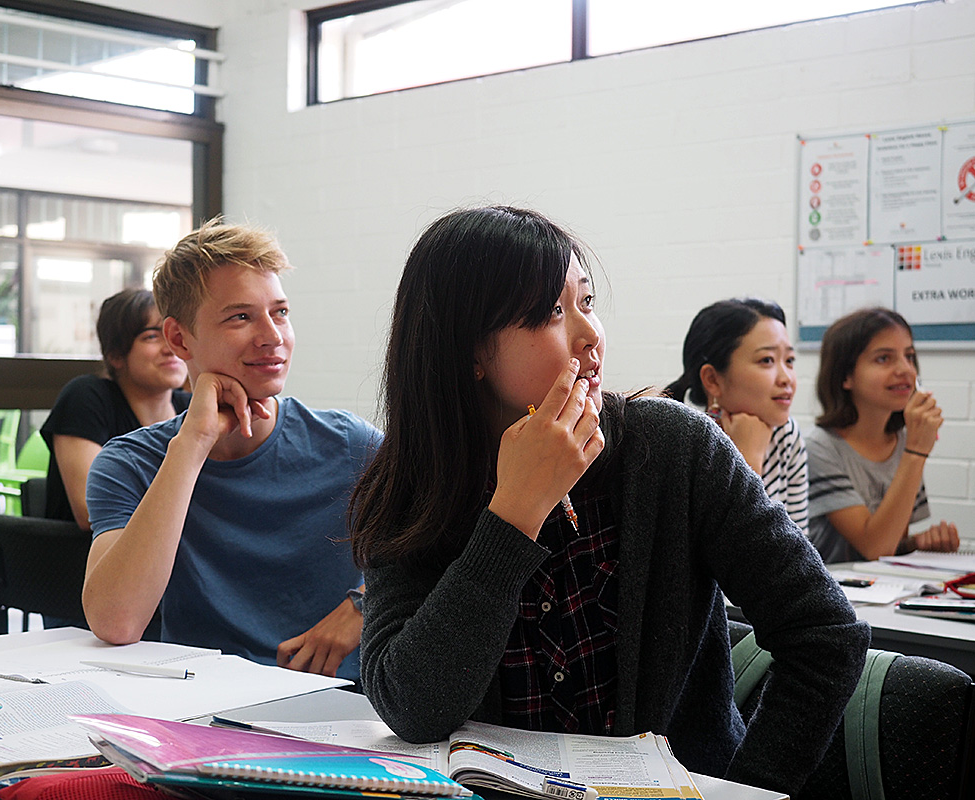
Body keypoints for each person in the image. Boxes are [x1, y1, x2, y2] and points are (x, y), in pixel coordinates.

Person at [350, 206, 869, 798]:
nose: (590, 334)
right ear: (469, 351)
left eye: (586, 301)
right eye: (550, 313)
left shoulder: (672, 449)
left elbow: (826, 633)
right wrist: (513, 516)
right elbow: (410, 707)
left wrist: (750, 789)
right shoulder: (416, 483)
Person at [82, 219, 381, 680]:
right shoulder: (129, 463)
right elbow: (116, 621)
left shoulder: (349, 444)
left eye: (280, 312)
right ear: (179, 339)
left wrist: (365, 603)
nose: (273, 336)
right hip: (201, 702)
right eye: (241, 317)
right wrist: (192, 445)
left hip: (336, 705)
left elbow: (453, 545)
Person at [807, 306, 960, 563]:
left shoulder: (903, 442)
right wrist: (917, 452)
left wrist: (917, 544)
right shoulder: (820, 448)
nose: (905, 369)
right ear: (846, 376)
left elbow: (891, 543)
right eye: (883, 359)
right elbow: (874, 548)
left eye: (909, 356)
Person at [41, 289, 190, 530]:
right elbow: (90, 510)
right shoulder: (87, 397)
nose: (170, 348)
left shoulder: (191, 409)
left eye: (175, 335)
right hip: (89, 550)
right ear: (116, 355)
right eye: (152, 336)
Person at [666, 298, 808, 534]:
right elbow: (710, 552)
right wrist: (748, 462)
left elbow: (799, 546)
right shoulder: (679, 441)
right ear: (712, 380)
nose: (787, 379)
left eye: (789, 361)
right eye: (767, 360)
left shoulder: (785, 432)